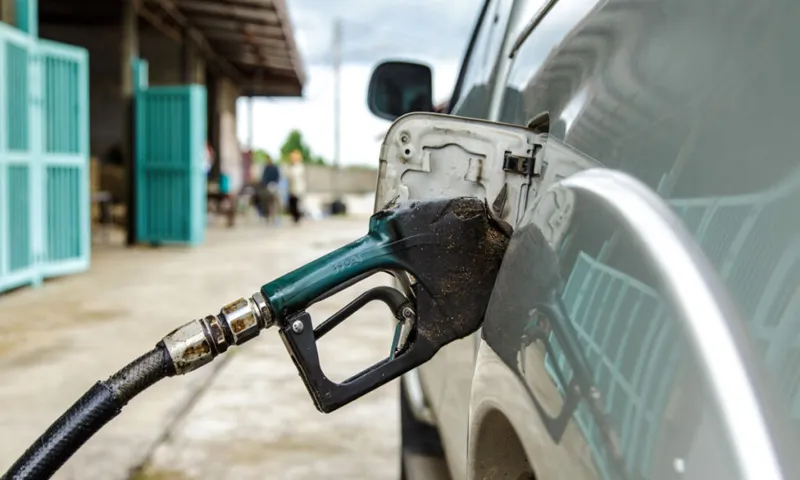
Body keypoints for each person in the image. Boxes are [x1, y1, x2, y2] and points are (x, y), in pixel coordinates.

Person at [258, 155, 281, 224]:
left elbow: (278, 177)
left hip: (274, 185)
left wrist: (274, 183)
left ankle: (274, 216)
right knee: (265, 201)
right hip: (266, 187)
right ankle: (266, 215)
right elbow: (263, 178)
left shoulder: (275, 168)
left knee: (274, 202)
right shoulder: (266, 168)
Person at [286, 149, 306, 224]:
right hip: (292, 188)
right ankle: (294, 217)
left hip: (298, 188)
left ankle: (297, 218)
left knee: (296, 204)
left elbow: (295, 175)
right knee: (292, 203)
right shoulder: (291, 166)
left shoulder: (299, 166)